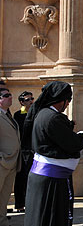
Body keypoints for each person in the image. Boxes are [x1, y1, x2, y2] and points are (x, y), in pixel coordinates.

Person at [23, 81, 83, 226]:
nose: (67, 105)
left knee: (40, 216)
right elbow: (71, 143)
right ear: (63, 100)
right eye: (68, 101)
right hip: (51, 180)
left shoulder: (43, 113)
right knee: (52, 216)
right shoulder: (53, 117)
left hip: (44, 177)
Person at [0, 85, 20, 226]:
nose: (10, 97)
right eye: (6, 96)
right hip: (3, 162)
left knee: (4, 197)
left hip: (12, 162)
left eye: (10, 94)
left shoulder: (8, 114)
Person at [12, 91, 34, 213]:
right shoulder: (18, 115)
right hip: (23, 150)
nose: (30, 101)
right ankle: (20, 204)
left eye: (32, 98)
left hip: (34, 149)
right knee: (21, 177)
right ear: (21, 102)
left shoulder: (36, 113)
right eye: (27, 99)